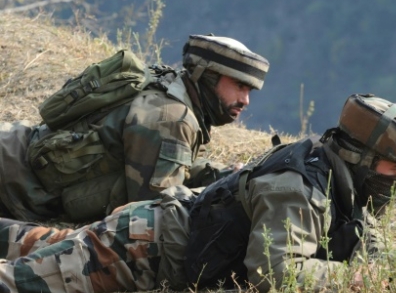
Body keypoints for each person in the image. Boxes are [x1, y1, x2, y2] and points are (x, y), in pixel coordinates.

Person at [0, 93, 396, 293]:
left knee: (39, 245)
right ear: (360, 157)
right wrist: (357, 280)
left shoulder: (336, 178)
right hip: (140, 250)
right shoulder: (297, 187)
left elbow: (365, 242)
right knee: (19, 284)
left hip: (150, 234)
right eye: (395, 167)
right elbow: (274, 271)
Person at [0, 34, 269, 223]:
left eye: (249, 91)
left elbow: (166, 166)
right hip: (11, 183)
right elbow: (155, 212)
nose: (245, 100)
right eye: (239, 86)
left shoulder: (167, 86)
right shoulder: (172, 118)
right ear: (207, 76)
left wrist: (219, 177)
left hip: (13, 153)